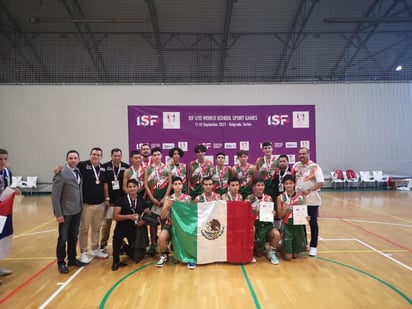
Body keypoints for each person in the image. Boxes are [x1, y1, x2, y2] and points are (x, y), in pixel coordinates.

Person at [51, 150, 87, 274]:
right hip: (65, 212)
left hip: (77, 210)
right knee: (63, 238)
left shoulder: (78, 171)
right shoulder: (61, 173)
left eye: (75, 158)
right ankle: (61, 262)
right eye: (70, 158)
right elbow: (55, 196)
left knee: (73, 236)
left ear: (78, 159)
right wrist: (58, 213)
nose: (73, 160)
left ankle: (72, 259)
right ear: (66, 160)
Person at [77, 147, 109, 263]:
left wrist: (106, 198)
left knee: (97, 228)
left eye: (98, 155)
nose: (96, 156)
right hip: (86, 204)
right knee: (84, 228)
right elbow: (71, 170)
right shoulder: (82, 165)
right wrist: (59, 170)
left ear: (101, 157)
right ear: (90, 155)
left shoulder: (103, 168)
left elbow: (105, 184)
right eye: (94, 154)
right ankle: (84, 252)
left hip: (100, 204)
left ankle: (95, 249)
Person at [112, 179, 150, 271]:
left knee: (137, 256)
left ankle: (124, 246)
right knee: (117, 239)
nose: (132, 188)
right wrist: (129, 216)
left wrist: (143, 221)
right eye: (130, 187)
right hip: (122, 226)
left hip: (134, 229)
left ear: (138, 188)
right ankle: (115, 261)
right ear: (127, 188)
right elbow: (115, 216)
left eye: (134, 186)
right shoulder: (121, 199)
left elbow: (149, 215)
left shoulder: (141, 200)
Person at [293, 147, 324, 257]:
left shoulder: (315, 167)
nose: (301, 156)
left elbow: (321, 182)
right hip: (299, 200)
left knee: (312, 223)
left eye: (304, 153)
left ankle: (313, 246)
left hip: (312, 200)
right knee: (301, 223)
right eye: (300, 154)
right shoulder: (296, 166)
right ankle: (304, 244)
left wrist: (309, 190)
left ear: (308, 154)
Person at [156, 177, 191, 268]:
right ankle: (164, 255)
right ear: (172, 186)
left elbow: (190, 215)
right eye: (175, 184)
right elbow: (162, 216)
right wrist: (166, 207)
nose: (178, 186)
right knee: (161, 237)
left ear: (182, 185)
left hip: (183, 226)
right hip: (170, 224)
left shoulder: (188, 198)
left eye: (179, 184)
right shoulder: (168, 199)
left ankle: (189, 255)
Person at [144, 147, 172, 256]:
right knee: (152, 224)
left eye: (158, 154)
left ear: (161, 156)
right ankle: (153, 244)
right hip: (153, 200)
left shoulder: (167, 168)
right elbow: (146, 184)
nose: (156, 156)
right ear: (152, 156)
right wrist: (151, 198)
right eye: (154, 155)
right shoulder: (148, 169)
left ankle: (164, 243)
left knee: (164, 222)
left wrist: (165, 197)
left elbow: (170, 183)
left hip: (164, 200)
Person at [100, 148, 129, 254]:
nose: (117, 157)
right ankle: (103, 244)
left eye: (119, 156)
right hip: (111, 201)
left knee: (121, 224)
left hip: (122, 202)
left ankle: (120, 243)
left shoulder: (126, 166)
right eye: (115, 156)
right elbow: (105, 183)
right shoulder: (105, 167)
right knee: (107, 223)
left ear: (121, 156)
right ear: (111, 156)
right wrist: (107, 198)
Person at [246, 177, 280, 265]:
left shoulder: (269, 198)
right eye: (258, 185)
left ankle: (271, 253)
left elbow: (274, 214)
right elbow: (244, 213)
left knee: (276, 234)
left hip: (267, 224)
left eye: (262, 185)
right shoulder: (249, 198)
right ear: (254, 187)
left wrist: (274, 213)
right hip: (255, 224)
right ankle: (251, 252)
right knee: (259, 254)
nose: (260, 187)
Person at [0, 148, 21, 280]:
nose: (3, 162)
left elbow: (6, 189)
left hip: (2, 210)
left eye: (5, 159)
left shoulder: (8, 172)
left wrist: (14, 190)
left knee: (1, 238)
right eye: (0, 159)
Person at [277, 175, 307, 261]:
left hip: (298, 226)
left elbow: (304, 212)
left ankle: (290, 247)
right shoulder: (280, 197)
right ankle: (281, 246)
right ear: (283, 185)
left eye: (290, 183)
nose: (289, 185)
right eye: (286, 183)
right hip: (287, 226)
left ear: (294, 184)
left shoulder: (300, 197)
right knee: (288, 257)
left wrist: (307, 218)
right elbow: (279, 216)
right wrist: (284, 209)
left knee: (295, 256)